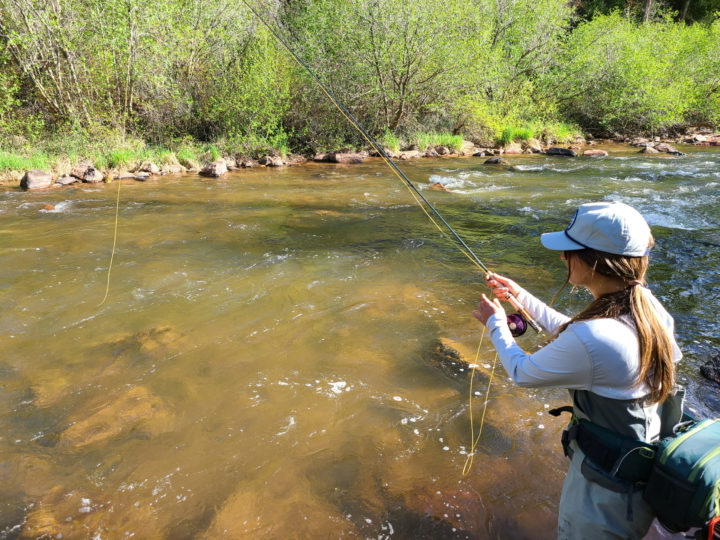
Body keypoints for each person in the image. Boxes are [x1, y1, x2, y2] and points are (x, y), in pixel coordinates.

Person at [472, 201, 683, 540]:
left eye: (568, 251)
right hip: (633, 483)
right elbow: (575, 333)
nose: (561, 257)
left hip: (604, 495)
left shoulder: (596, 337)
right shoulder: (645, 308)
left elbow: (523, 371)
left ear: (595, 261)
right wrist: (519, 296)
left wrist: (496, 324)